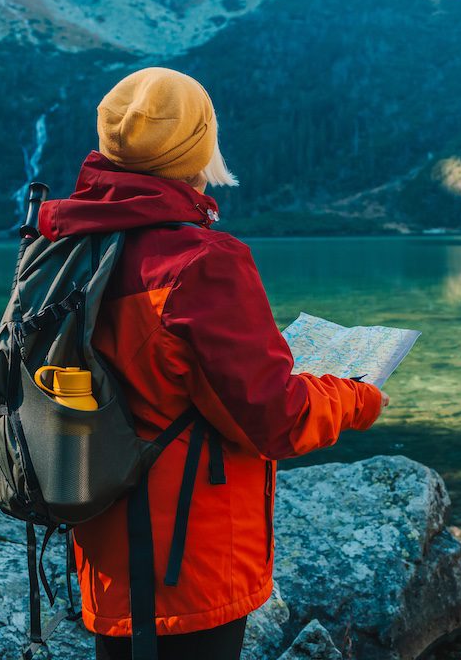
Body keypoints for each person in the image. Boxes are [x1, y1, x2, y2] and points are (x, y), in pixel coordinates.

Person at [36, 67, 387, 660]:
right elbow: (273, 417)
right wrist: (355, 397)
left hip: (101, 537)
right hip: (187, 560)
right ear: (198, 145)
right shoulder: (202, 262)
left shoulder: (65, 245)